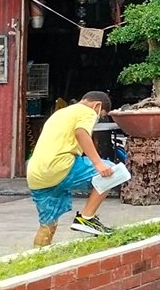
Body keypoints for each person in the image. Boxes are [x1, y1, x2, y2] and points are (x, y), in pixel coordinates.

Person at [23, 90, 116, 248]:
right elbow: (81, 132)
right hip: (59, 166)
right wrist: (98, 163)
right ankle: (86, 218)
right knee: (113, 171)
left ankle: (37, 258)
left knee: (48, 225)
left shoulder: (61, 113)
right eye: (101, 115)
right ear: (97, 106)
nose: (98, 119)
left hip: (36, 174)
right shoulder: (86, 111)